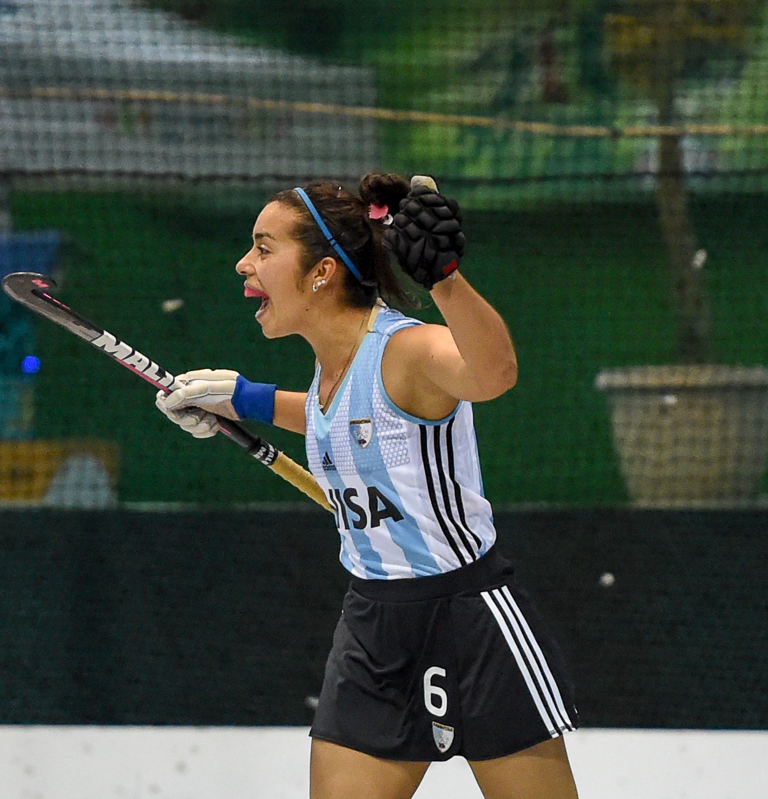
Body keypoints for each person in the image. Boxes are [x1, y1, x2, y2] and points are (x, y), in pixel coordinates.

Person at [154, 174, 580, 799]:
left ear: (322, 272)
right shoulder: (335, 365)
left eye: (265, 248)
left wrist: (446, 282)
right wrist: (244, 399)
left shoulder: (407, 348)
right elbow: (356, 422)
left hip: (469, 619)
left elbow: (492, 374)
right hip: (373, 627)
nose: (245, 263)